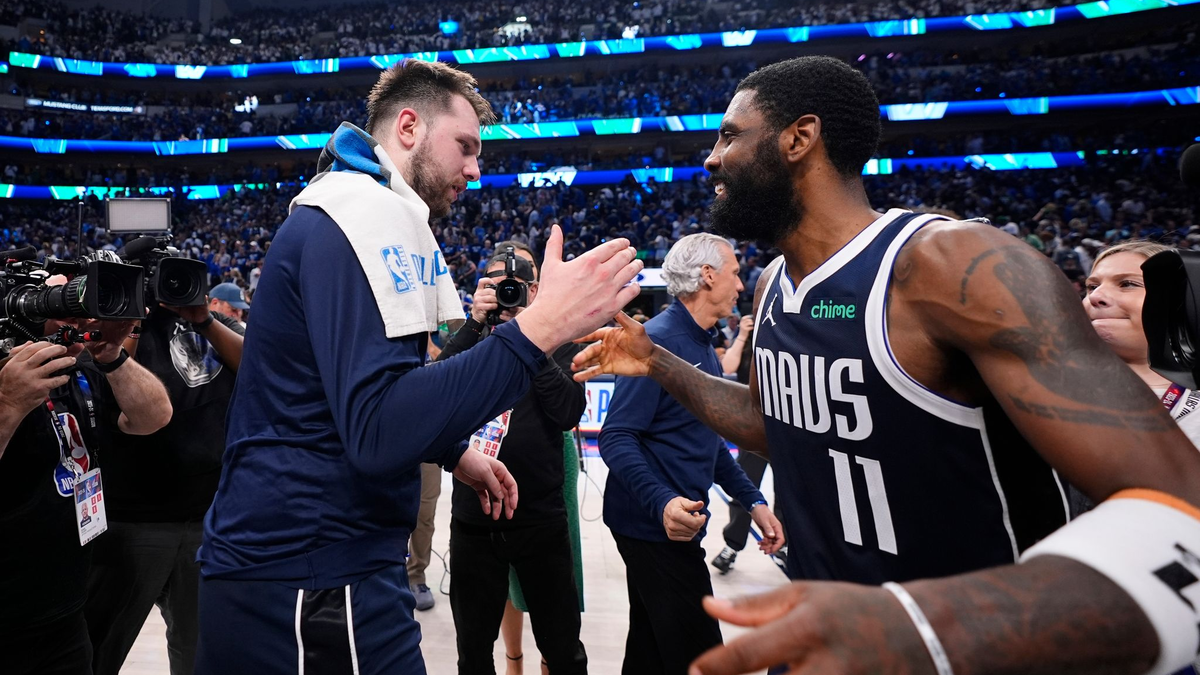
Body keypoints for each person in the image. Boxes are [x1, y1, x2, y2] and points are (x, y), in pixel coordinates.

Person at [572, 55, 1200, 675]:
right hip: (828, 637)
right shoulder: (773, 286)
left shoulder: (955, 266)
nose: (712, 157)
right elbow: (773, 423)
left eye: (730, 135)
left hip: (964, 649)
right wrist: (658, 363)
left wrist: (923, 626)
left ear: (799, 138)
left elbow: (1182, 512)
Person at [195, 59, 642, 675]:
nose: (475, 169)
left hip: (323, 559)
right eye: (465, 146)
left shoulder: (365, 209)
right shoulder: (362, 213)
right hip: (311, 569)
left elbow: (366, 391)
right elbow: (377, 430)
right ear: (408, 127)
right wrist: (540, 329)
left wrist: (455, 451)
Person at [599, 233, 784, 674]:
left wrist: (754, 501)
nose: (740, 285)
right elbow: (617, 436)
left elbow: (706, 439)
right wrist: (662, 501)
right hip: (654, 526)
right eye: (734, 273)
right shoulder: (656, 341)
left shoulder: (702, 342)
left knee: (650, 649)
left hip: (677, 521)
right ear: (707, 276)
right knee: (701, 656)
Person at [0, 311, 173, 675]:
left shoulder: (80, 369)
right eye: (60, 308)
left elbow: (153, 417)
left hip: (65, 612)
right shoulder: (9, 381)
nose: (78, 322)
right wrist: (9, 403)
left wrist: (112, 356)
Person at [442, 250, 588, 674]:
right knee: (472, 651)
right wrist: (474, 322)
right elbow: (432, 395)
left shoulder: (559, 340)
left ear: (534, 290)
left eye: (515, 286)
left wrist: (530, 338)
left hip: (539, 518)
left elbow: (567, 412)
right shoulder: (473, 338)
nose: (506, 294)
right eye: (495, 285)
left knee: (563, 648)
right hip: (474, 517)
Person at [84, 299, 245, 675]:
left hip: (206, 518)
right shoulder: (114, 326)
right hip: (130, 521)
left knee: (198, 653)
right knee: (98, 650)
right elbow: (108, 380)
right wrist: (130, 317)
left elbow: (260, 364)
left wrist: (203, 319)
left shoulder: (211, 323)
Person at [1083, 241, 1200, 447]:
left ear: (1181, 301)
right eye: (1092, 287)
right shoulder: (1045, 386)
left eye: (1127, 284)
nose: (1095, 296)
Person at [711, 313, 786, 576]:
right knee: (745, 485)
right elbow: (727, 368)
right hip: (754, 427)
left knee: (787, 493)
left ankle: (786, 544)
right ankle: (732, 545)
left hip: (787, 426)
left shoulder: (791, 335)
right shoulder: (749, 340)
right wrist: (743, 334)